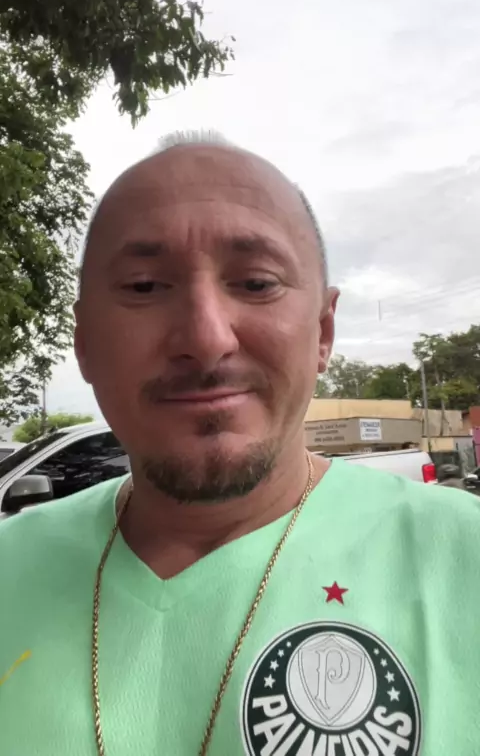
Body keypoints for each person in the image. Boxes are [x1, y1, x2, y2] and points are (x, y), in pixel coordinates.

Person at [0, 133, 479, 756]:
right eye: (144, 286)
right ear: (84, 342)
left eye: (256, 283)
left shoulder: (463, 560)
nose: (206, 338)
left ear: (323, 332)